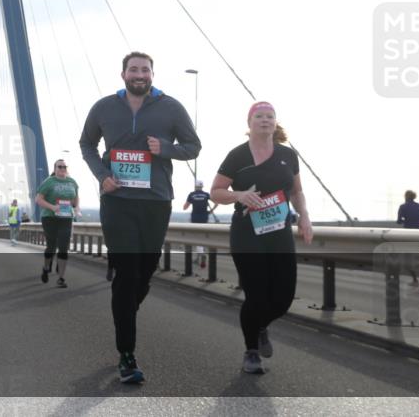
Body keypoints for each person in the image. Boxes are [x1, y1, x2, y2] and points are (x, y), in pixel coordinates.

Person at [80, 51, 200, 385]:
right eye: (133, 69)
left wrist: (166, 148)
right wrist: (102, 175)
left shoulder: (171, 107)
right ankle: (127, 354)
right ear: (123, 74)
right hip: (117, 201)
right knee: (127, 274)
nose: (139, 74)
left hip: (155, 202)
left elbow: (193, 146)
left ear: (152, 75)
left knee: (144, 274)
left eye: (145, 70)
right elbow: (87, 144)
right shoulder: (104, 107)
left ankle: (125, 312)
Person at [210, 101, 313, 375]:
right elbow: (216, 191)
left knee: (283, 297)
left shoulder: (288, 155)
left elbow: (296, 191)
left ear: (275, 122)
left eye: (270, 116)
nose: (265, 120)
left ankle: (260, 325)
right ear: (250, 123)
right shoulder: (237, 156)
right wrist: (239, 195)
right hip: (247, 234)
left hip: (279, 233)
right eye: (259, 116)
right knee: (256, 295)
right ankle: (251, 351)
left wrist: (304, 216)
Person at [36, 160, 79, 288]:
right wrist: (52, 207)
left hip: (66, 218)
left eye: (64, 166)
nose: (62, 168)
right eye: (59, 166)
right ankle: (46, 267)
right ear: (55, 169)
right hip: (50, 217)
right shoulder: (49, 182)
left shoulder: (72, 182)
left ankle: (61, 278)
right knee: (51, 246)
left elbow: (76, 197)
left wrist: (76, 207)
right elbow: (38, 199)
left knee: (64, 247)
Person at [183, 179, 216, 267]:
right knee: (202, 236)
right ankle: (200, 256)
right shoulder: (206, 195)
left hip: (195, 218)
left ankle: (201, 255)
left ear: (195, 186)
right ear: (202, 186)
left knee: (197, 237)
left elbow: (185, 207)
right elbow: (216, 202)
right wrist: (211, 211)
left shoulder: (192, 195)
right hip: (204, 218)